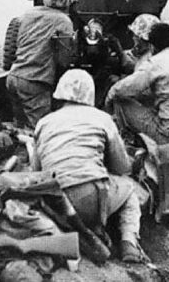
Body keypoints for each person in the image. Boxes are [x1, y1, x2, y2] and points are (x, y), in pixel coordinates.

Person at [32, 69, 145, 262]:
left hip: (54, 205)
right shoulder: (102, 118)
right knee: (129, 190)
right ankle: (129, 242)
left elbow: (36, 171)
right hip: (92, 200)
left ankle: (86, 231)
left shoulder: (43, 122)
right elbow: (121, 167)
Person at [6, 0, 74, 128]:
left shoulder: (28, 14)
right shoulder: (64, 21)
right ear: (67, 0)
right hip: (35, 82)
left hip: (13, 77)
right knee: (41, 129)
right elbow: (64, 60)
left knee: (19, 127)